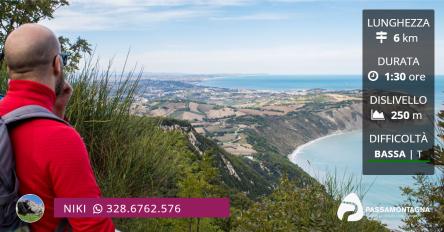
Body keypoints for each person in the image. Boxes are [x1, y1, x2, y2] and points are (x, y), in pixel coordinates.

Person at [0, 24, 115, 231]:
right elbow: (92, 226)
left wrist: (55, 114)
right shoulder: (61, 139)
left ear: (9, 68)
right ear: (57, 64)